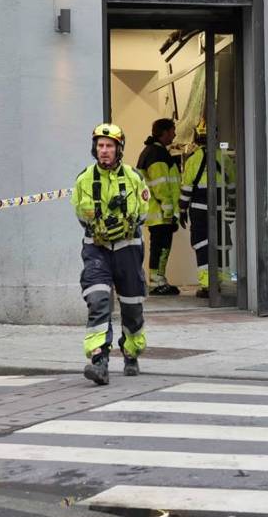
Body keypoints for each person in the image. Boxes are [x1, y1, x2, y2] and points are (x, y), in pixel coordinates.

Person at [71, 123, 150, 385]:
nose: (104, 150)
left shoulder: (134, 177)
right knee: (97, 300)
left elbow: (143, 213)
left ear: (119, 149)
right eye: (100, 146)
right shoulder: (84, 179)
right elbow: (80, 216)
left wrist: (125, 224)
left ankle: (131, 351)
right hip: (97, 249)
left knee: (132, 306)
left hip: (128, 248)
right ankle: (99, 360)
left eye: (109, 146)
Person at [179, 120, 236, 298]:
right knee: (221, 243)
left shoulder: (193, 159)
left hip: (199, 210)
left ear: (197, 138)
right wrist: (232, 206)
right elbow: (232, 186)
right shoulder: (223, 157)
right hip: (220, 209)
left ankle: (207, 284)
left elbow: (186, 188)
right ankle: (220, 280)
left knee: (202, 244)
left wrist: (182, 210)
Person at [136, 118, 181, 296]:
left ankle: (158, 280)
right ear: (164, 132)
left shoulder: (151, 152)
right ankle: (157, 282)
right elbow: (160, 185)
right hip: (161, 213)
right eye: (172, 130)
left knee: (159, 247)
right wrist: (169, 211)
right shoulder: (157, 154)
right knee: (161, 248)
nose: (174, 134)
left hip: (156, 212)